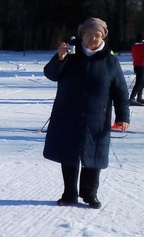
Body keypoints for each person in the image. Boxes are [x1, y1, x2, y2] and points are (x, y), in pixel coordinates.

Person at [43, 18, 130, 209]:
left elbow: (121, 91)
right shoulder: (70, 55)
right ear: (82, 35)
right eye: (89, 34)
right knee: (69, 155)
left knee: (94, 156)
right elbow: (50, 74)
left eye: (97, 35)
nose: (93, 38)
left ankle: (90, 194)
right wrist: (59, 58)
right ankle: (69, 194)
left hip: (97, 117)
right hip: (68, 114)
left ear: (103, 37)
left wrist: (123, 116)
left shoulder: (111, 61)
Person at [129, 32, 144, 104]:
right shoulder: (143, 46)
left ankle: (139, 97)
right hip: (142, 65)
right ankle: (132, 98)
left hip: (136, 65)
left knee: (141, 81)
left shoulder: (134, 46)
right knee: (139, 82)